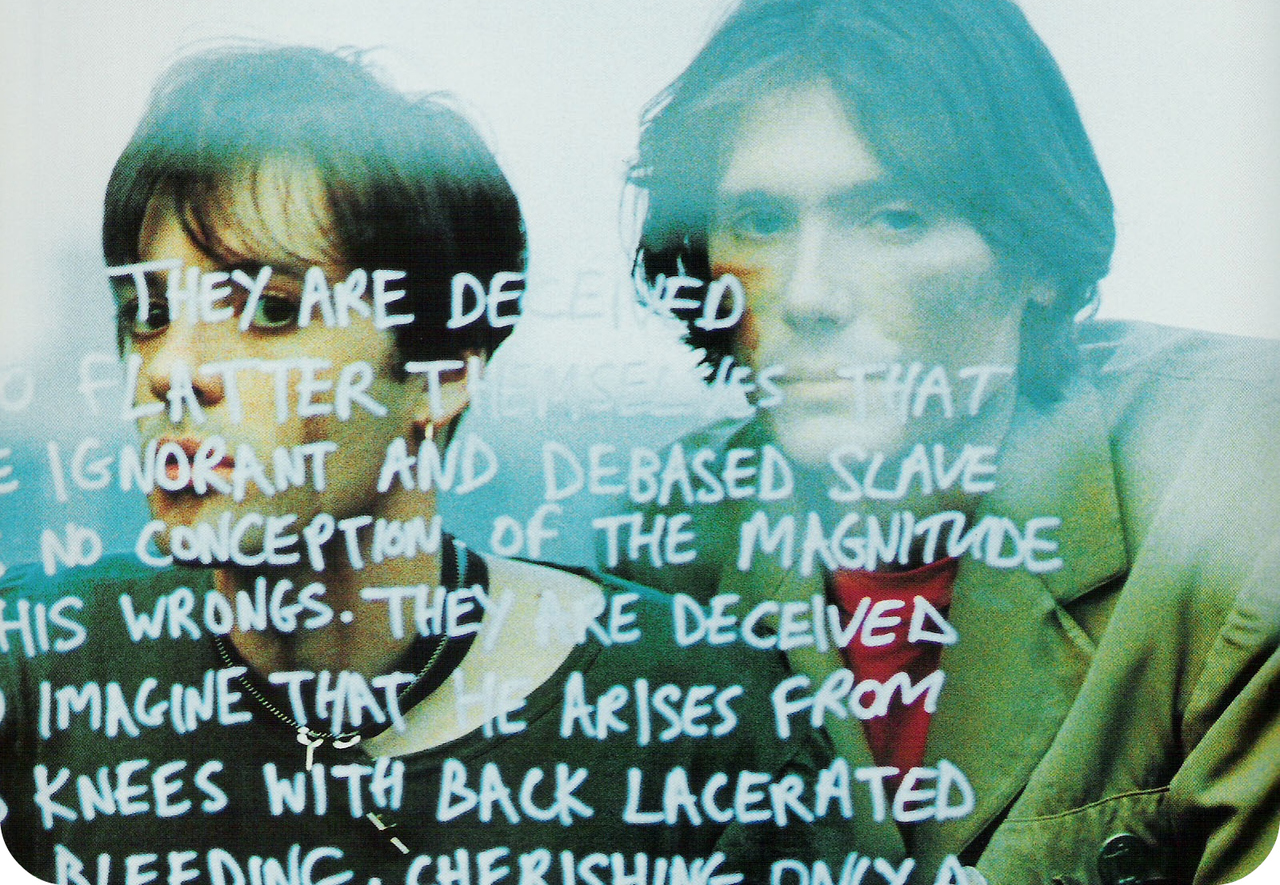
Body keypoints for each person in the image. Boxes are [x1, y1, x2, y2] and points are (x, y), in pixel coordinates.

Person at [0, 46, 827, 885]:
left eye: (269, 312)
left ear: (440, 373)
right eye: (148, 314)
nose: (173, 370)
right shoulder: (38, 667)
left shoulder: (689, 715)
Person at [616, 0, 1280, 884]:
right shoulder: (670, 539)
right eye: (759, 222)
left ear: (1038, 253)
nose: (809, 294)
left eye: (894, 219)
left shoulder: (1242, 481)